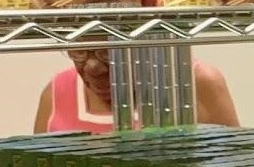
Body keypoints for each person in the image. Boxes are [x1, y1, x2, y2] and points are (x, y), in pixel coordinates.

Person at [33, 47, 239, 132]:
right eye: (79, 51)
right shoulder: (57, 92)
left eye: (107, 52)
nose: (93, 67)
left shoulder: (194, 83)